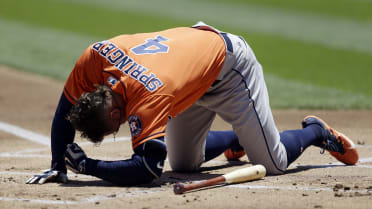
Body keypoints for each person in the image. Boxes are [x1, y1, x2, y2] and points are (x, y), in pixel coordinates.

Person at [26, 22, 359, 185]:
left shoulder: (149, 96)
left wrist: (89, 166)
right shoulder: (94, 57)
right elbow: (63, 111)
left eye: (116, 126)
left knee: (274, 162)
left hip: (229, 68)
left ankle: (315, 131)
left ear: (115, 112)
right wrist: (58, 163)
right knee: (185, 163)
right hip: (189, 76)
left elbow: (146, 169)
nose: (121, 127)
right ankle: (240, 138)